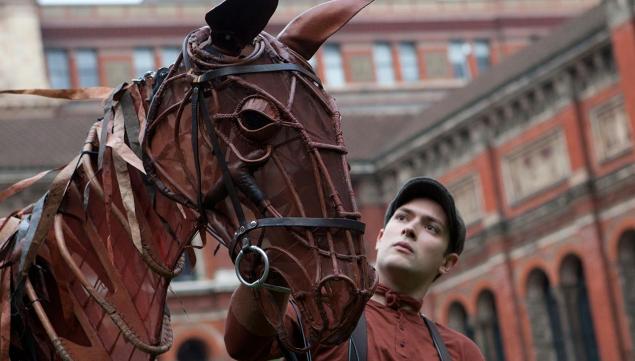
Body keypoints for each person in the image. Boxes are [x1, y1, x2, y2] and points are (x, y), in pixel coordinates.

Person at [224, 177, 485, 361]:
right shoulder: (323, 311)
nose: (410, 228)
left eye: (431, 227)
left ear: (447, 262)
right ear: (381, 237)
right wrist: (273, 255)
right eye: (403, 217)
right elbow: (243, 346)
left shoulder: (460, 353)